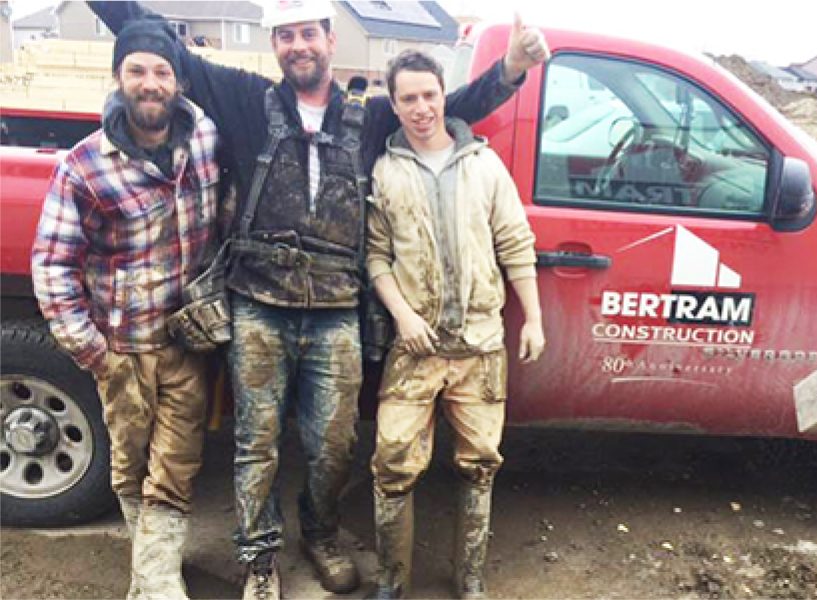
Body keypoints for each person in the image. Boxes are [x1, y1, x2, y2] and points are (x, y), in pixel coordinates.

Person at [87, 2, 548, 598]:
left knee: (334, 444)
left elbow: (445, 108)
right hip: (258, 304)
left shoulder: (373, 117)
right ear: (274, 45)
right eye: (285, 36)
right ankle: (258, 560)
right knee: (257, 443)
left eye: (308, 33)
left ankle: (321, 533)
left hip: (335, 310)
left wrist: (509, 70)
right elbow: (160, 48)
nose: (298, 45)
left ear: (330, 41)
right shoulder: (244, 99)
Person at [31, 18, 220, 600]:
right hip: (122, 348)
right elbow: (52, 264)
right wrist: (92, 350)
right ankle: (153, 573)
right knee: (131, 464)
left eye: (162, 72)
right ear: (118, 77)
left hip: (187, 341)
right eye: (137, 70)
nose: (150, 83)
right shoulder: (85, 166)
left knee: (178, 465)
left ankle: (158, 584)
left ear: (178, 82)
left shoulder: (206, 139)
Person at [366, 50, 546, 599]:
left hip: (480, 347)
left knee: (479, 465)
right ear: (394, 105)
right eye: (408, 98)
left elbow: (515, 242)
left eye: (429, 95)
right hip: (415, 349)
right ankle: (392, 583)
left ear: (444, 95)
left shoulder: (484, 165)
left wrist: (533, 318)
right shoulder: (385, 169)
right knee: (392, 463)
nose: (421, 108)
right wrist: (403, 314)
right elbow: (375, 256)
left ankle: (470, 580)